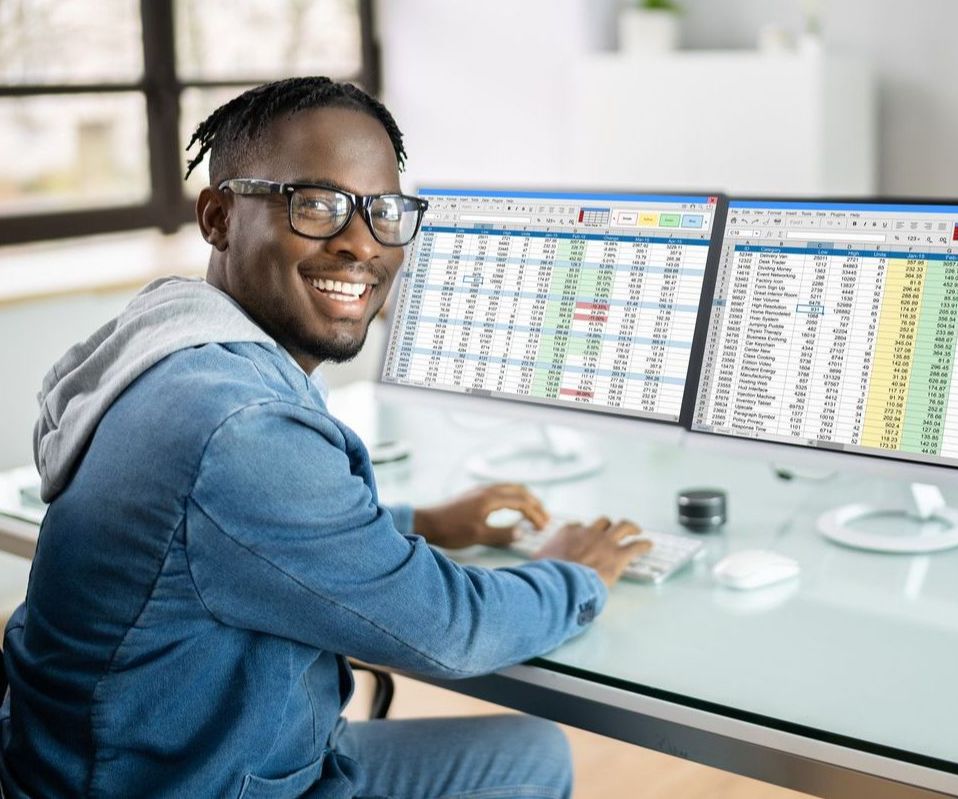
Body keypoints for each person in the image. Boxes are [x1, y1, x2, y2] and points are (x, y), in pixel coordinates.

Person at [0, 77, 650, 799]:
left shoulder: (172, 351)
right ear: (218, 217)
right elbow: (450, 630)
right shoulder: (237, 427)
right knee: (527, 758)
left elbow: (234, 539)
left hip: (115, 766)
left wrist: (422, 523)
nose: (359, 244)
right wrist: (574, 573)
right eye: (316, 205)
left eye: (384, 211)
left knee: (525, 751)